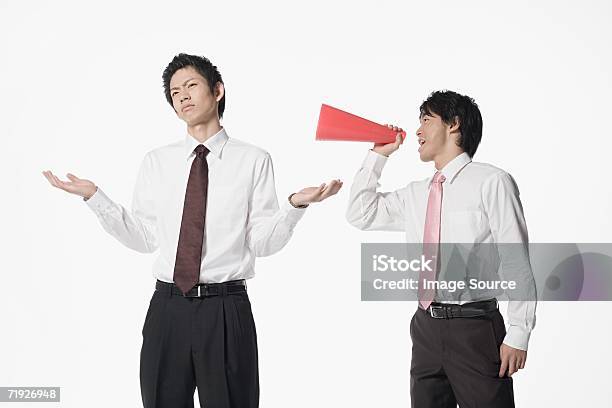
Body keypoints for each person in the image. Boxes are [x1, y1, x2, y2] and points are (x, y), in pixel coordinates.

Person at [42, 53, 342, 408]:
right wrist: (95, 198)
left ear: (217, 90)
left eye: (191, 86)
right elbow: (143, 237)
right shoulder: (157, 161)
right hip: (167, 309)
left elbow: (262, 241)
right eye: (174, 92)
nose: (182, 96)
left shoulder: (253, 159)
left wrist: (294, 206)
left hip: (226, 309)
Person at [346, 90, 536, 408]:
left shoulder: (492, 182)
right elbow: (359, 213)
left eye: (426, 120)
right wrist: (378, 155)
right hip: (425, 329)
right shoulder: (416, 194)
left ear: (454, 124)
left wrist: (519, 332)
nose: (417, 131)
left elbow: (516, 259)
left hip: (475, 328)